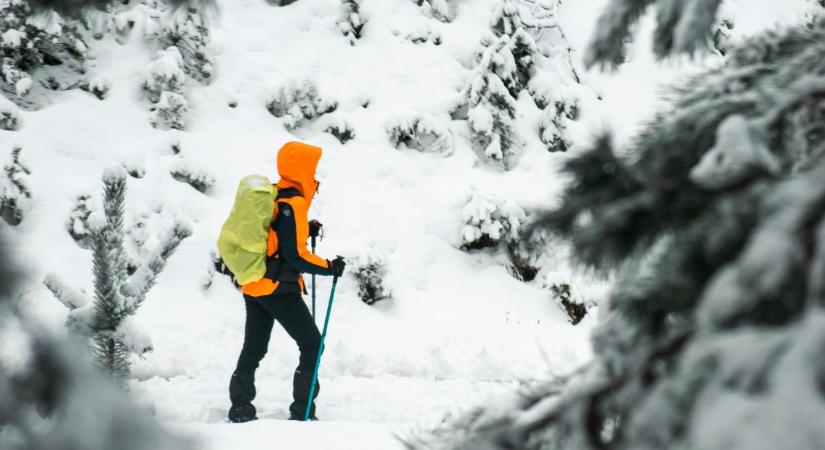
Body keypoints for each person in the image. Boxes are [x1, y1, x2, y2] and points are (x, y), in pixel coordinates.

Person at [228, 141, 346, 423]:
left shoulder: (277, 194)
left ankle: (240, 407)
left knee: (254, 346)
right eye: (312, 167)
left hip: (255, 283)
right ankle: (302, 411)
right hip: (278, 287)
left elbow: (278, 237)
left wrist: (307, 228)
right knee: (312, 344)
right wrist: (329, 267)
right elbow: (295, 256)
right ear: (302, 169)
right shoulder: (293, 202)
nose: (315, 172)